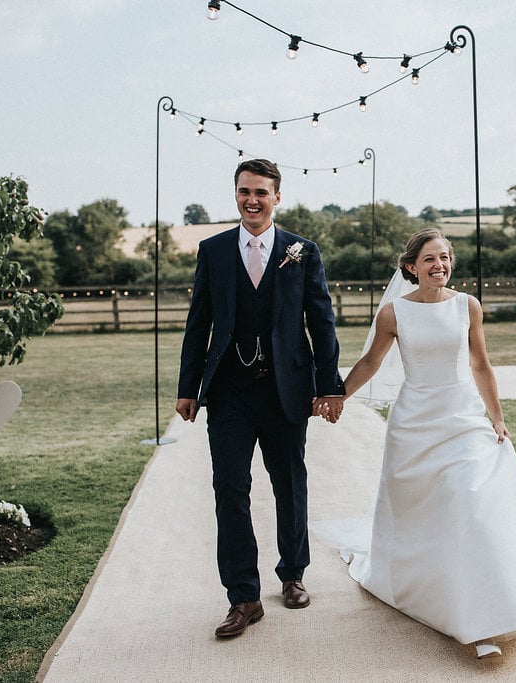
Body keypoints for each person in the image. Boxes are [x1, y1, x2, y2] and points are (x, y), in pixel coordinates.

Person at [327, 228, 516, 659]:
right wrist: (338, 396)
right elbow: (371, 361)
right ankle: (430, 589)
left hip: (463, 419)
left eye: (444, 257)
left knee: (469, 500)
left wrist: (498, 420)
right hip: (414, 424)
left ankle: (482, 612)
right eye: (429, 259)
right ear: (411, 267)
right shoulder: (394, 313)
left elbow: (481, 365)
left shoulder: (469, 306)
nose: (439, 265)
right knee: (423, 509)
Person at [176, 158, 345, 639]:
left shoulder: (302, 251)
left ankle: (293, 573)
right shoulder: (213, 250)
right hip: (228, 391)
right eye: (244, 191)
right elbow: (199, 322)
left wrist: (329, 385)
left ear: (277, 197)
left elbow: (322, 322)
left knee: (289, 483)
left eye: (261, 192)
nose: (252, 200)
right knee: (230, 490)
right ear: (236, 194)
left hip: (285, 390)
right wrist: (189, 388)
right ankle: (243, 598)